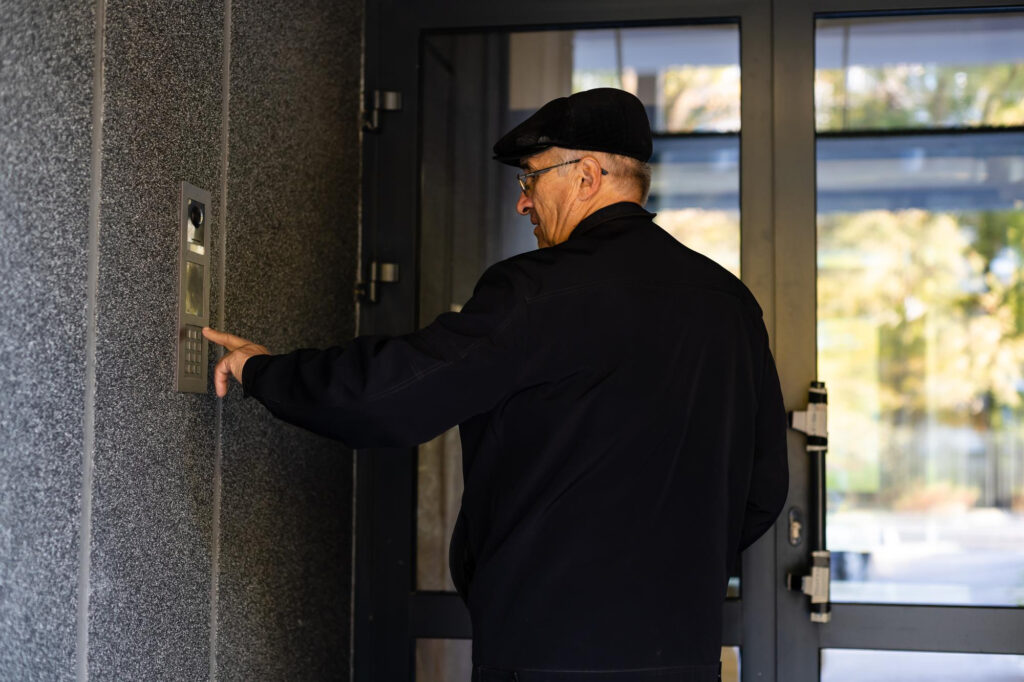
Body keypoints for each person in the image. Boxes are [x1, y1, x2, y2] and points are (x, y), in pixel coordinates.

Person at [203, 88, 789, 682]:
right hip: (684, 658)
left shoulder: (537, 291)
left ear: (587, 176)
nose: (522, 201)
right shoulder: (731, 306)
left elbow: (391, 394)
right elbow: (764, 492)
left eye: (531, 178)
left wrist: (263, 371)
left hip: (546, 653)